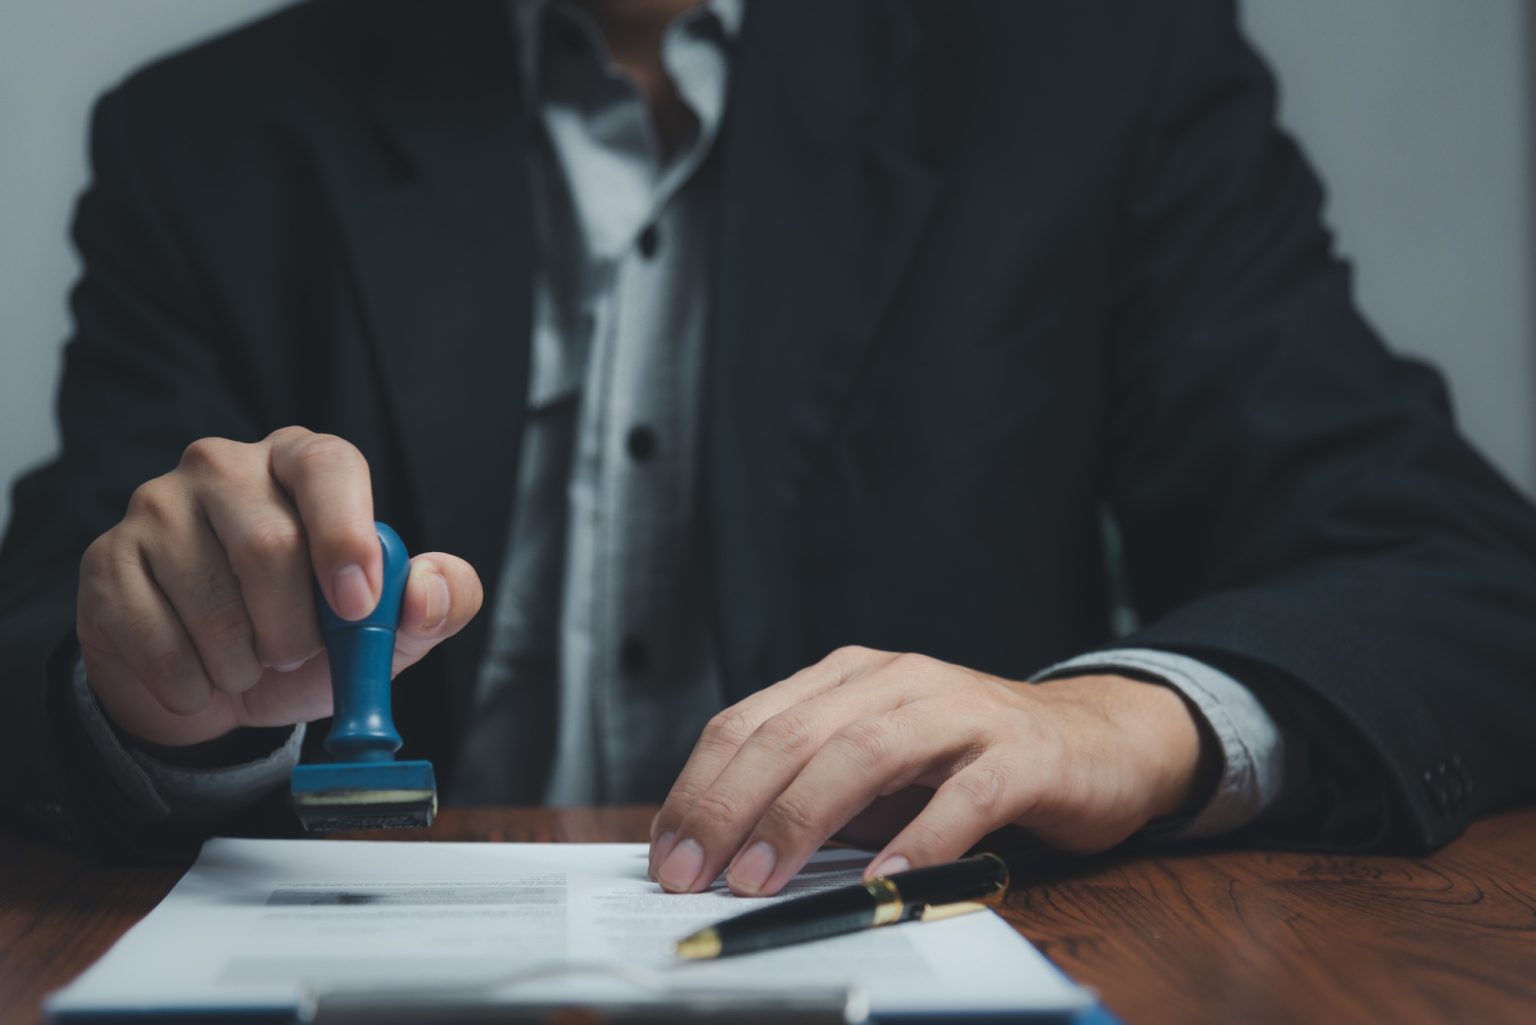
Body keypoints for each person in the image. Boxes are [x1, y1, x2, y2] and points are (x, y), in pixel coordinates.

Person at [3, 0, 1535, 894]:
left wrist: (1115, 722)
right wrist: (154, 693)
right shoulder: (203, 138)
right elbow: (46, 642)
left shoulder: (1100, 74)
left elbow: (1454, 571)